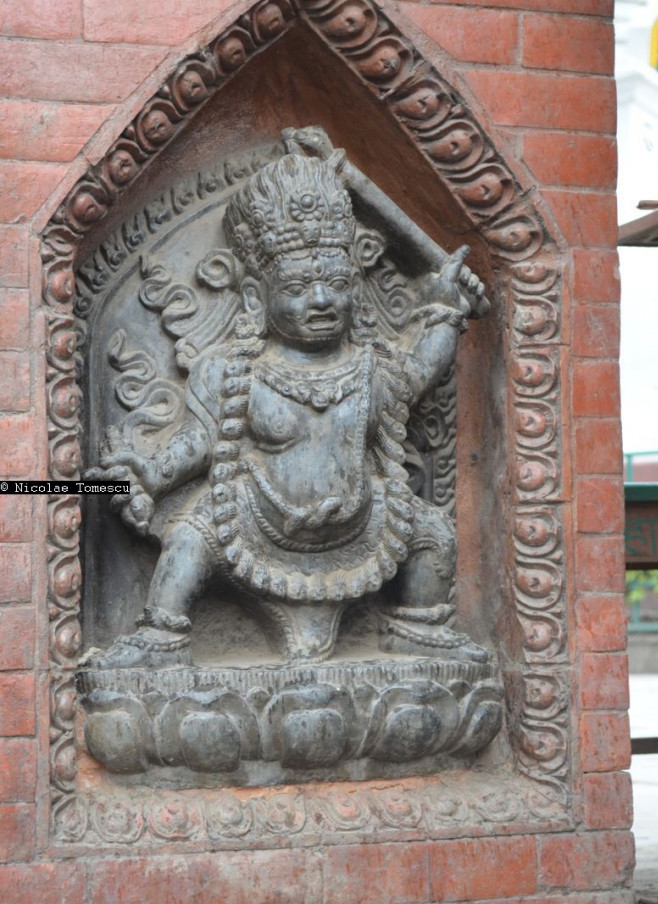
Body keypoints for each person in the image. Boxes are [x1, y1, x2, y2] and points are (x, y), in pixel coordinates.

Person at [89, 146, 486, 669]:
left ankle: (421, 628)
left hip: (362, 526)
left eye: (337, 284)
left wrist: (444, 312)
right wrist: (147, 475)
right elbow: (200, 444)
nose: (321, 300)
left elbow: (419, 373)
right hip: (254, 524)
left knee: (433, 533)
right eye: (298, 287)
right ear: (256, 296)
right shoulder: (235, 372)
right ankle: (161, 635)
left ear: (355, 288)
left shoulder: (371, 367)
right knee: (190, 537)